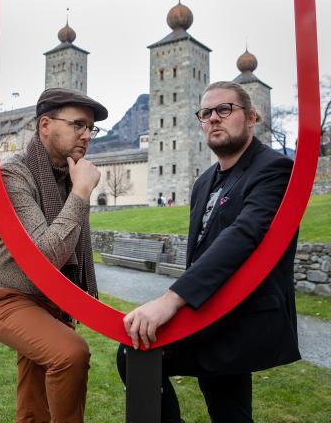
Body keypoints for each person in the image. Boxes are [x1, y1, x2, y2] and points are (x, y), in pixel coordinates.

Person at [117, 81, 300, 422]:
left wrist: (171, 300)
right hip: (210, 313)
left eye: (225, 109)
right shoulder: (203, 183)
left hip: (243, 319)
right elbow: (202, 255)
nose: (214, 118)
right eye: (206, 113)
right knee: (228, 412)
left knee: (137, 351)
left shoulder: (274, 169)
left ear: (251, 117)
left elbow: (245, 235)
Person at [0, 88, 108, 423]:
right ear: (45, 125)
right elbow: (44, 258)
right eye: (78, 124)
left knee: (33, 405)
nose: (86, 135)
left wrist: (76, 189)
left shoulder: (67, 174)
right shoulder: (13, 174)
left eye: (91, 128)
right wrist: (80, 193)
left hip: (48, 300)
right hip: (3, 297)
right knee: (70, 353)